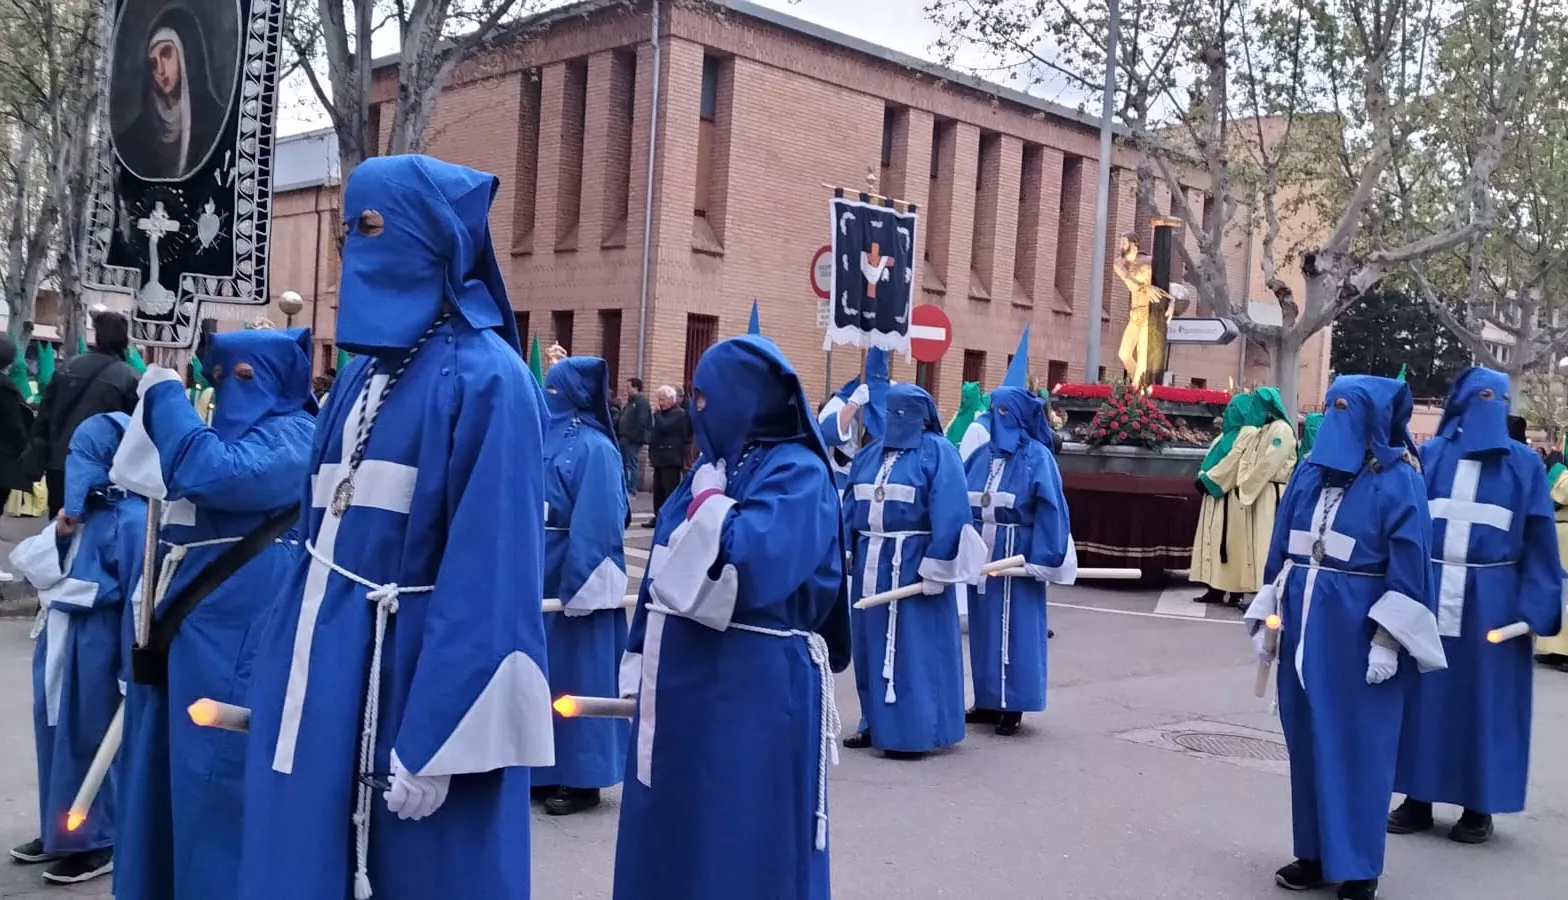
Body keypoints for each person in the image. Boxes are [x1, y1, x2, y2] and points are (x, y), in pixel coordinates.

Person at [236, 156, 552, 900]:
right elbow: (317, 538)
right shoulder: (356, 377)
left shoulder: (491, 380)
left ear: (432, 235)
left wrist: (442, 736)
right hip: (321, 673)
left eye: (374, 226)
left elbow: (494, 576)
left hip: (407, 682)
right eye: (350, 230)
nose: (356, 245)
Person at [613, 335, 849, 900]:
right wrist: (639, 650)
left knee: (738, 837)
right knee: (678, 833)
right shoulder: (717, 466)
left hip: (752, 689)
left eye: (705, 396)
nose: (698, 410)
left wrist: (711, 505)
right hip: (682, 686)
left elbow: (750, 567)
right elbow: (662, 570)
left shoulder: (799, 473)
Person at [106, 327, 315, 900]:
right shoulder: (216, 430)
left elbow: (213, 473)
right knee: (160, 785)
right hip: (182, 636)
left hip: (241, 645)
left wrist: (167, 393)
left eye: (246, 377)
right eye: (221, 378)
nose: (230, 391)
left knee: (214, 790)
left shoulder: (298, 435)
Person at [1245, 374, 1446, 900]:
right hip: (1302, 627)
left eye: (1344, 409)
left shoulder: (1399, 480)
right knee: (1308, 742)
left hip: (1358, 635)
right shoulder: (1310, 475)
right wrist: (1268, 612)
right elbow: (1282, 551)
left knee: (1358, 748)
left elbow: (1410, 567)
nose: (1333, 419)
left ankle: (1357, 866)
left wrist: (1387, 638)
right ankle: (1313, 852)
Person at [1389, 368, 1564, 844]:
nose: (1494, 405)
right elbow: (1405, 524)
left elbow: (1539, 538)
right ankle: (1417, 798)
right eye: (1484, 397)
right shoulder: (1431, 456)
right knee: (1423, 698)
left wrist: (1537, 602)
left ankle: (1478, 804)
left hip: (1494, 601)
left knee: (1485, 703)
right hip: (1432, 586)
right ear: (1463, 403)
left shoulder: (1524, 465)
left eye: (1500, 398)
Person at [8, 413, 145, 885]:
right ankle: (59, 830)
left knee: (91, 738)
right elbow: (34, 565)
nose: (76, 463)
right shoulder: (84, 510)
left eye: (84, 454)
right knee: (56, 737)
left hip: (100, 644)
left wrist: (131, 666)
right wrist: (63, 531)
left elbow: (137, 597)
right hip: (64, 639)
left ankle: (98, 838)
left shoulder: (134, 517)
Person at [843, 383, 986, 758]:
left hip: (912, 564)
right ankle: (873, 722)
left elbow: (951, 511)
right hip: (871, 561)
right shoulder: (870, 454)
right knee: (870, 645)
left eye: (903, 413)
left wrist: (937, 564)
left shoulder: (939, 453)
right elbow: (849, 504)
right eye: (890, 411)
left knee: (914, 650)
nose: (895, 420)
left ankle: (917, 729)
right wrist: (843, 548)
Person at [534, 356, 630, 816]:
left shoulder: (595, 448)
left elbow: (599, 520)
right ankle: (543, 766)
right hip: (539, 568)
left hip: (574, 573)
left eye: (556, 389)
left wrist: (583, 581)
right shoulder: (539, 436)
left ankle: (584, 775)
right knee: (542, 673)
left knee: (580, 674)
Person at [962, 386, 1073, 736]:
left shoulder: (1037, 457)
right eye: (994, 410)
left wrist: (1042, 557)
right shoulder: (982, 456)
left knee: (1016, 630)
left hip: (1017, 553)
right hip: (984, 552)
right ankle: (987, 698)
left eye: (1004, 411)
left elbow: (1051, 508)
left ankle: (1014, 703)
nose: (997, 418)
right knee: (983, 630)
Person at [27, 311, 139, 520]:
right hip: (103, 469)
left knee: (59, 526)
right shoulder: (130, 378)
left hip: (60, 463)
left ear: (97, 336)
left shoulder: (66, 367)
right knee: (95, 531)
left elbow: (44, 418)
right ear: (125, 339)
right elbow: (134, 433)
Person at [114, 6, 225, 180]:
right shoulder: (133, 137)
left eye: (166, 54)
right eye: (153, 63)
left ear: (185, 54)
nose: (161, 70)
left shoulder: (217, 123)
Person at [1191, 393, 1264, 606]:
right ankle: (1214, 588)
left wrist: (1211, 481)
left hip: (1231, 497)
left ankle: (1235, 592)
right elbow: (1209, 460)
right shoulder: (1222, 436)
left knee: (1231, 544)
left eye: (1233, 408)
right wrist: (1203, 477)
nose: (1228, 412)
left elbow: (1235, 462)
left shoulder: (1249, 434)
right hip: (1215, 496)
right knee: (1213, 542)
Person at [1235, 387, 1298, 596]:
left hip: (1271, 493)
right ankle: (1255, 590)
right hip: (1259, 491)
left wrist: (1247, 486)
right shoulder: (1262, 431)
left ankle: (1266, 592)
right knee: (1254, 544)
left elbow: (1268, 464)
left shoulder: (1282, 431)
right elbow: (1249, 459)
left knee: (1264, 543)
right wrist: (1244, 483)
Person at [1535, 449, 1568, 669]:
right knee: (1559, 591)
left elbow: (1564, 493)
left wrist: (1557, 475)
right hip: (1559, 531)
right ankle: (1555, 649)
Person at [647, 384, 690, 528]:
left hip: (671, 458)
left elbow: (665, 426)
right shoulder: (662, 414)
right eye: (659, 399)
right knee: (658, 490)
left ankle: (668, 517)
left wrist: (657, 413)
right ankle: (657, 515)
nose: (660, 403)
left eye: (663, 399)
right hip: (659, 457)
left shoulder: (679, 414)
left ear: (672, 399)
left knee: (669, 490)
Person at [617, 377, 653, 513]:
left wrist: (633, 436)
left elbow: (641, 421)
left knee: (631, 464)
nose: (627, 390)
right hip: (624, 438)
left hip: (632, 440)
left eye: (629, 387)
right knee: (625, 463)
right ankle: (625, 487)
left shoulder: (640, 402)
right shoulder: (631, 402)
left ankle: (631, 489)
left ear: (636, 388)